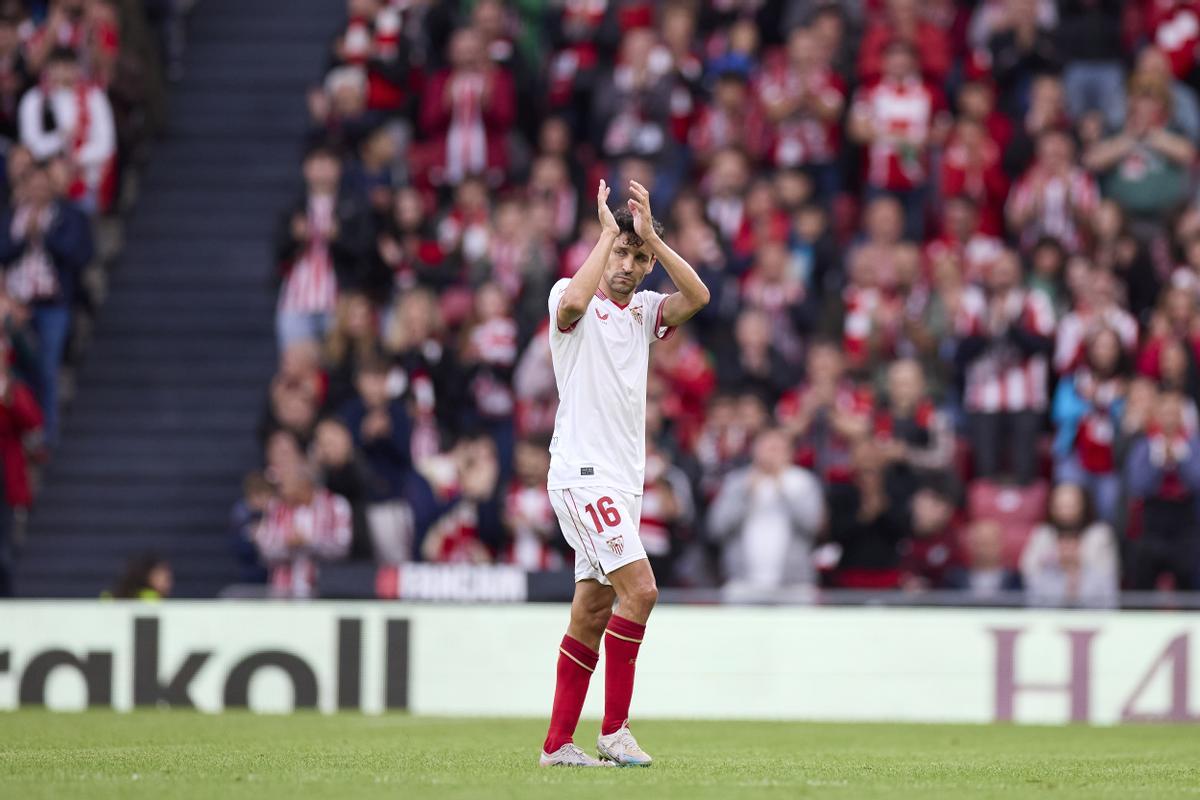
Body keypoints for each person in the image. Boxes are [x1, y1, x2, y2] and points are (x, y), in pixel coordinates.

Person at [540, 179, 709, 767]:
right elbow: (569, 308)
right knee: (641, 591)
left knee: (591, 609)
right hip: (583, 476)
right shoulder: (571, 292)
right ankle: (614, 731)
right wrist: (609, 232)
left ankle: (558, 746)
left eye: (638, 258)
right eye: (623, 252)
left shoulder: (642, 312)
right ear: (604, 248)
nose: (629, 265)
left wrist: (654, 239)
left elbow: (698, 296)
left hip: (622, 482)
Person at [707, 427, 824, 600]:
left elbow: (813, 525)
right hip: (743, 583)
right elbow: (717, 527)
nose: (771, 455)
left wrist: (783, 489)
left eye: (777, 449)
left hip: (794, 586)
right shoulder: (737, 482)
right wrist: (745, 495)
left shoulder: (803, 482)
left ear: (789, 452)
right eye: (767, 448)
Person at [1020, 482, 1119, 608]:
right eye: (1061, 505)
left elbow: (1107, 577)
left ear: (1083, 504)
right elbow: (1029, 572)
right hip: (1049, 605)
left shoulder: (1099, 534)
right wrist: (1057, 565)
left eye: (1070, 505)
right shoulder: (1043, 534)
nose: (1065, 510)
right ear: (1052, 506)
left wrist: (1075, 567)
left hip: (1091, 607)